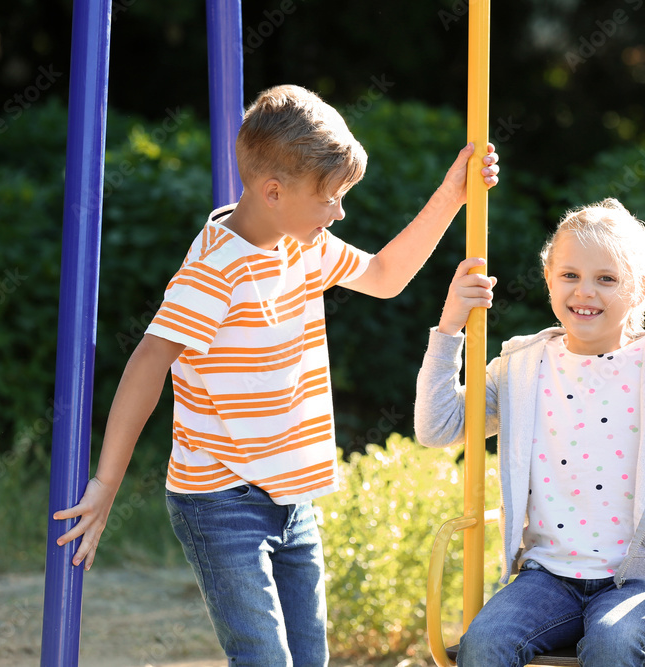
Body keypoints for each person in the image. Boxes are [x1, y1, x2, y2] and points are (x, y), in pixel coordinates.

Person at [53, 84, 500, 667]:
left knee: (308, 659)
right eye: (331, 199)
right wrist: (106, 485)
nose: (340, 212)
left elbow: (386, 275)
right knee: (265, 659)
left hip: (293, 498)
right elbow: (147, 362)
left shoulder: (302, 245)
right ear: (273, 192)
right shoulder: (217, 268)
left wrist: (452, 195)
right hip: (219, 500)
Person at [414, 198, 645, 667]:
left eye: (606, 279)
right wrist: (450, 326)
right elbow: (437, 427)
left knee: (612, 643)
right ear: (548, 279)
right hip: (546, 576)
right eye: (570, 276)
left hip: (639, 579)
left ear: (640, 288)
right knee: (484, 643)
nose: (585, 292)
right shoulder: (521, 367)